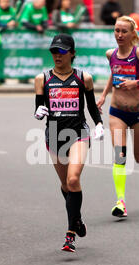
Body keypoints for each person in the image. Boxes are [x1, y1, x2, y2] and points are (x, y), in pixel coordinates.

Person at [33, 34, 104, 252]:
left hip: (78, 132)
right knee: (66, 185)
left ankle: (70, 234)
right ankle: (77, 218)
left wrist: (99, 124)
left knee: (73, 180)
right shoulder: (42, 79)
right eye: (54, 51)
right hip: (54, 134)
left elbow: (91, 107)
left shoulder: (84, 78)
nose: (57, 55)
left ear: (72, 53)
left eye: (62, 51)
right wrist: (38, 111)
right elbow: (38, 106)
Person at [97, 16, 139, 218]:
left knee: (138, 156)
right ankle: (120, 202)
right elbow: (113, 73)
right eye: (116, 31)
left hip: (138, 114)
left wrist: (137, 83)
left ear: (133, 34)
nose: (119, 35)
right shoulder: (111, 54)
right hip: (117, 112)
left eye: (124, 31)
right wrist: (103, 95)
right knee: (120, 157)